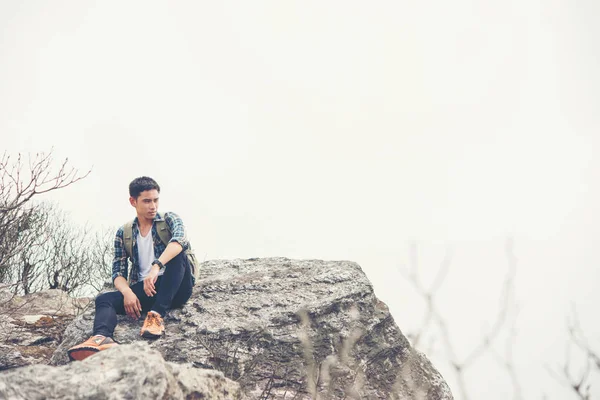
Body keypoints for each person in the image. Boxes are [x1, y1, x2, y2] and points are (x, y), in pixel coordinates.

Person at [67, 176, 194, 361]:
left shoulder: (169, 219)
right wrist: (127, 292)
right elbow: (118, 272)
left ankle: (157, 315)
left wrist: (156, 266)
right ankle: (101, 339)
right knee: (105, 299)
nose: (153, 206)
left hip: (176, 286)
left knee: (178, 255)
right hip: (147, 290)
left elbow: (179, 242)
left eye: (156, 200)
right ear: (133, 201)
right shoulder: (124, 232)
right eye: (147, 201)